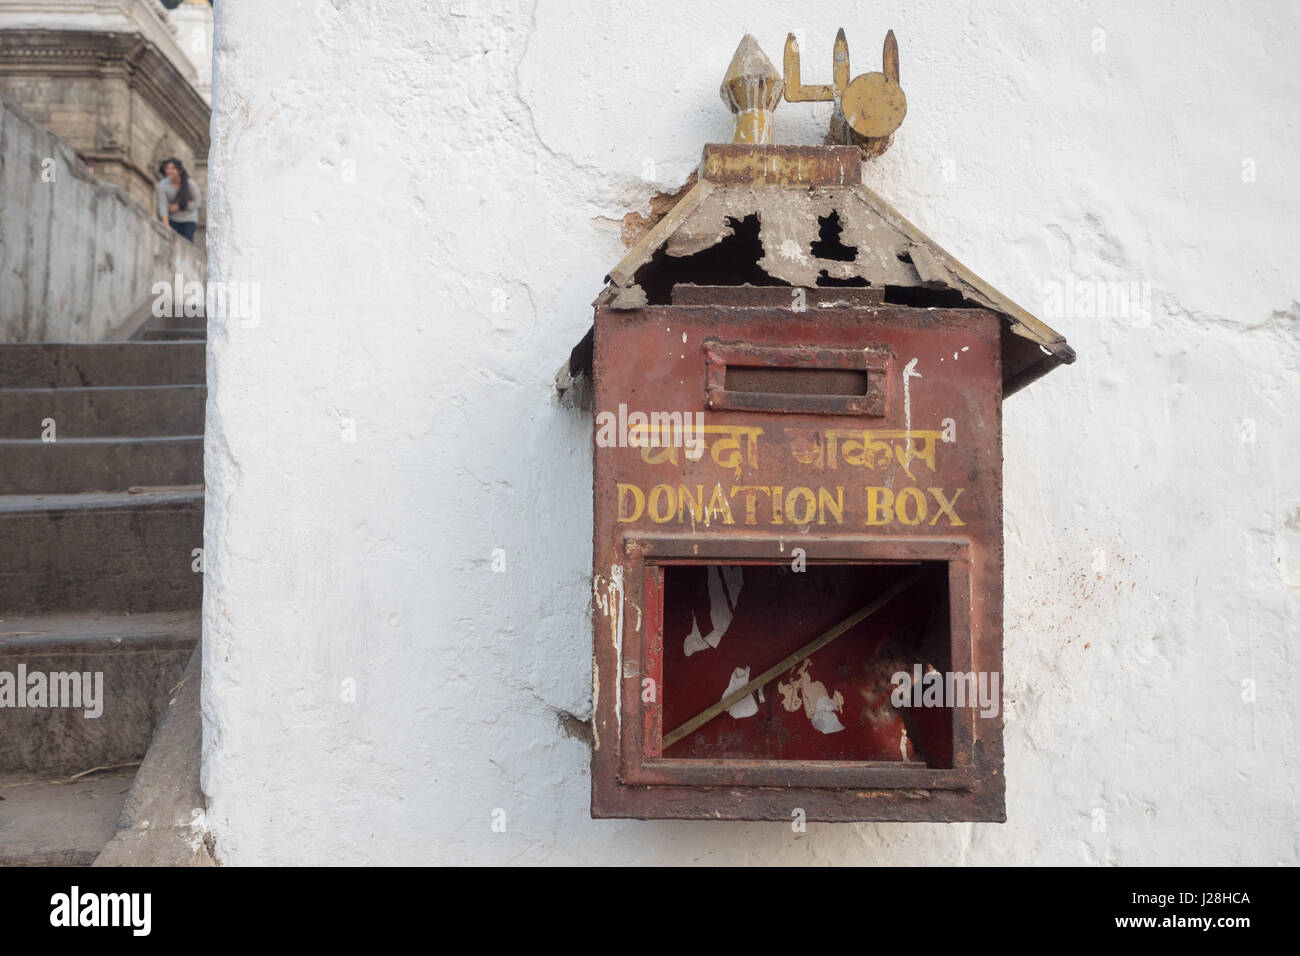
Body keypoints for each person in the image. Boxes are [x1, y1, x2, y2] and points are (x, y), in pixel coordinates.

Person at [156, 157, 200, 241]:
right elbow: (162, 205)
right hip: (172, 219)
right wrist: (166, 224)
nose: (169, 171)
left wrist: (179, 207)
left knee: (187, 244)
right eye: (167, 168)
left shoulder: (190, 184)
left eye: (172, 168)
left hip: (189, 219)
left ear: (179, 170)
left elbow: (197, 202)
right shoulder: (162, 185)